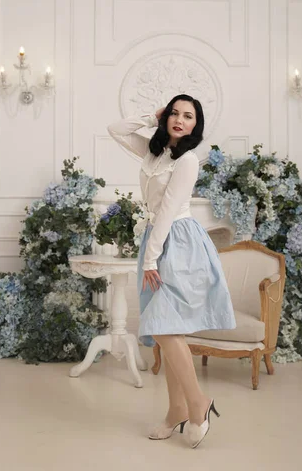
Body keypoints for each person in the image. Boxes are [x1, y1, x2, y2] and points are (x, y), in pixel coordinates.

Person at [107, 94, 236, 449]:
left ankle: (197, 404)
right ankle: (176, 409)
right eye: (175, 113)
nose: (180, 120)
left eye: (188, 116)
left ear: (197, 124)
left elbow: (167, 210)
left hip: (177, 243)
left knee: (164, 325)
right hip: (156, 240)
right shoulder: (154, 152)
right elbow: (115, 129)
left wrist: (150, 259)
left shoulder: (188, 160)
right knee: (167, 327)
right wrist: (153, 115)